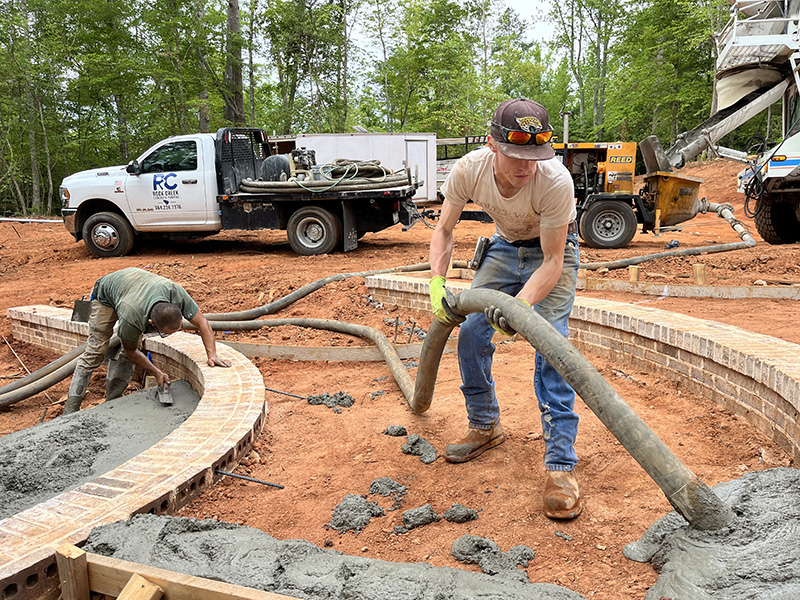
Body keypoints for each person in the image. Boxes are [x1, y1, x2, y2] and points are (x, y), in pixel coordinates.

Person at [428, 98, 582, 519]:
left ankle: (560, 465)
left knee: (552, 347)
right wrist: (438, 282)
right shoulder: (469, 169)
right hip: (501, 249)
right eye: (517, 155)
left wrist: (520, 306)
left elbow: (552, 261)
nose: (527, 166)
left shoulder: (555, 181)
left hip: (552, 254)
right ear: (493, 144)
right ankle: (485, 425)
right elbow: (443, 230)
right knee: (472, 334)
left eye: (536, 157)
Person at [64, 267, 231, 414]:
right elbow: (130, 351)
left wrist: (212, 354)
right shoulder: (132, 316)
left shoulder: (176, 293)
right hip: (107, 294)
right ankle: (70, 410)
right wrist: (157, 373)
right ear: (150, 323)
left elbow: (202, 322)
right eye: (164, 334)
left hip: (135, 285)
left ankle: (113, 401)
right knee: (96, 352)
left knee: (127, 351)